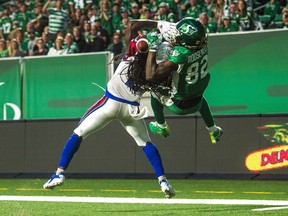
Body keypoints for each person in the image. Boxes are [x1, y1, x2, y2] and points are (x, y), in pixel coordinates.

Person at [43, 35, 176, 199]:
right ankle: (163, 180)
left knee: (79, 132)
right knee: (145, 143)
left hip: (110, 103)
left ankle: (59, 173)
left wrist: (153, 32)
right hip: (131, 110)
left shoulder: (130, 58)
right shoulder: (153, 72)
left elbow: (134, 33)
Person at [126, 18, 223, 144]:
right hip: (197, 99)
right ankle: (213, 129)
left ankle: (161, 125)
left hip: (179, 105)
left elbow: (150, 75)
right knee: (198, 94)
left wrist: (153, 48)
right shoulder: (202, 44)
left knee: (154, 91)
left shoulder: (181, 55)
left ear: (184, 41)